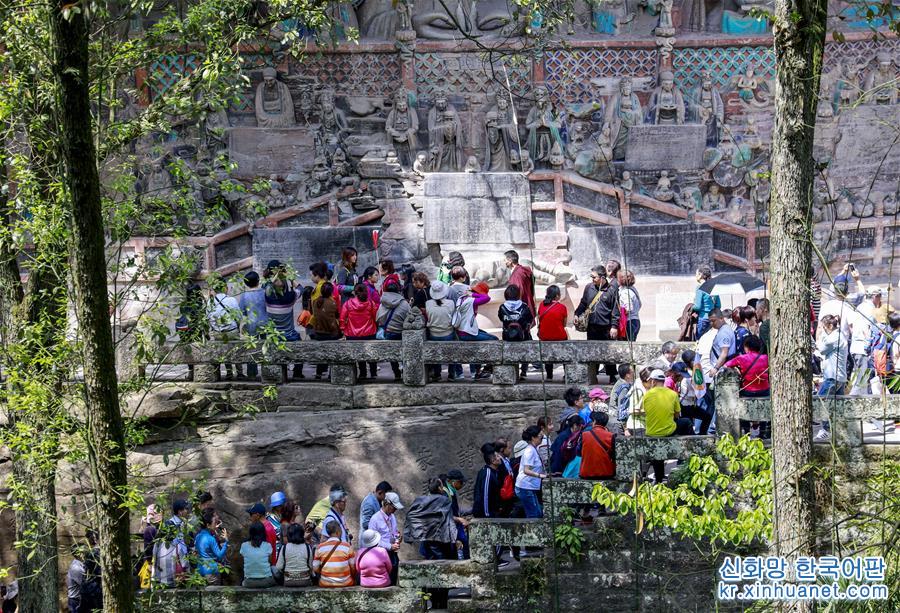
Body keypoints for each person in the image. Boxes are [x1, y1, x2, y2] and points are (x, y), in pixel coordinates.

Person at [645, 369, 695, 482]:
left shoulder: (647, 395)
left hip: (651, 432)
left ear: (653, 381)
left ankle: (659, 478)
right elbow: (677, 415)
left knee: (657, 447)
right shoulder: (673, 394)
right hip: (668, 431)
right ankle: (688, 453)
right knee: (686, 422)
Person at [574, 265, 620, 384]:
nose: (592, 279)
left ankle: (612, 375)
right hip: (592, 326)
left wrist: (614, 326)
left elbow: (615, 310)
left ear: (602, 277)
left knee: (609, 353)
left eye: (594, 277)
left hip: (606, 327)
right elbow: (583, 303)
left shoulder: (611, 290)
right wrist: (576, 313)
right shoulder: (589, 288)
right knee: (592, 351)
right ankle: (593, 375)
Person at [403, 478, 461, 560]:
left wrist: (408, 536)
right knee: (444, 563)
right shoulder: (444, 500)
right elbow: (449, 520)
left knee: (430, 562)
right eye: (441, 485)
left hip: (427, 539)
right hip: (442, 539)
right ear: (439, 488)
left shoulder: (420, 500)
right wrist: (455, 539)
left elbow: (411, 515)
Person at [264, 260, 303, 378]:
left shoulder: (267, 295)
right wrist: (290, 278)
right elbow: (301, 289)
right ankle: (297, 373)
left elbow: (266, 285)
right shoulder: (290, 297)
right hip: (289, 335)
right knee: (300, 346)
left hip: (273, 335)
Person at [814, 314, 848, 441]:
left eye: (824, 327)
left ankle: (826, 429)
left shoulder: (833, 338)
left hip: (832, 377)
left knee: (821, 401)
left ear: (829, 326)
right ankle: (838, 430)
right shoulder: (840, 335)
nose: (823, 329)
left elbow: (821, 349)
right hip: (840, 377)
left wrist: (821, 335)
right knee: (837, 405)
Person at [340, 283, 379, 381]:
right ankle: (373, 373)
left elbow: (342, 319)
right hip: (369, 332)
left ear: (354, 292)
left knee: (358, 354)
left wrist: (343, 330)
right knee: (371, 353)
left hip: (352, 334)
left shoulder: (348, 303)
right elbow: (375, 318)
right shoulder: (370, 303)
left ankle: (362, 373)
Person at [208, 281, 243, 379]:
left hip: (217, 333)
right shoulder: (231, 300)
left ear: (214, 289)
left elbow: (208, 318)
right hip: (232, 331)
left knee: (224, 352)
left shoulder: (210, 302)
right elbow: (239, 316)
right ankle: (239, 373)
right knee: (236, 351)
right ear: (225, 288)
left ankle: (229, 373)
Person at [498, 285, 534, 379]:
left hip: (507, 337)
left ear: (506, 295)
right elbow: (530, 319)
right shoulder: (524, 306)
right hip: (523, 336)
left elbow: (501, 318)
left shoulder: (502, 307)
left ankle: (511, 372)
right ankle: (524, 372)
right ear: (518, 294)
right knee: (527, 349)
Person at [238, 270, 269, 380]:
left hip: (251, 324)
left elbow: (242, 312)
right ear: (258, 281)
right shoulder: (264, 292)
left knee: (252, 348)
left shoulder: (244, 296)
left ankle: (251, 373)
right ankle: (268, 370)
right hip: (265, 322)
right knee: (266, 347)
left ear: (246, 283)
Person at [369, 491, 404, 585]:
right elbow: (372, 542)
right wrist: (389, 546)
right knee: (384, 584)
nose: (395, 510)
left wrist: (398, 538)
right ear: (387, 504)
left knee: (393, 581)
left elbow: (394, 532)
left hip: (393, 555)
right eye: (394, 507)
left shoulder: (392, 517)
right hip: (380, 556)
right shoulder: (375, 519)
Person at [377, 282, 411, 380]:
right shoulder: (404, 303)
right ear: (398, 291)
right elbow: (409, 317)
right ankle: (405, 371)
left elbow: (379, 318)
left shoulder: (383, 302)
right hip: (401, 332)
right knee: (404, 352)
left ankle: (396, 373)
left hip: (388, 331)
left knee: (392, 354)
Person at [425, 280, 457, 382]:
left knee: (435, 354)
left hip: (433, 334)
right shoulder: (451, 303)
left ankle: (437, 374)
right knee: (451, 353)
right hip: (448, 333)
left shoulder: (428, 303)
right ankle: (451, 375)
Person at [310, 281, 342, 378]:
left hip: (318, 332)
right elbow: (337, 315)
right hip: (331, 333)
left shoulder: (315, 301)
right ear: (331, 292)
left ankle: (319, 372)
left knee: (322, 353)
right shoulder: (332, 303)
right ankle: (331, 374)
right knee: (333, 352)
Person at [515, 426, 548, 518]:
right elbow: (526, 470)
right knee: (533, 514)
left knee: (538, 512)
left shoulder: (534, 449)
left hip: (529, 486)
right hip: (525, 486)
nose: (541, 438)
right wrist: (540, 475)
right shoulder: (529, 451)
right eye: (540, 436)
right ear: (533, 437)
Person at [538, 285, 568, 379]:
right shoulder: (562, 307)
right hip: (559, 336)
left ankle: (549, 374)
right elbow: (564, 324)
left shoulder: (541, 305)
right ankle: (566, 373)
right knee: (565, 353)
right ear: (557, 296)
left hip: (544, 337)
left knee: (547, 353)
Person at [313, 520, 356, 587]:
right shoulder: (347, 546)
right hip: (345, 582)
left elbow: (315, 568)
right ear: (338, 532)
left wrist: (325, 573)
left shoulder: (320, 547)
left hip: (325, 583)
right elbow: (353, 567)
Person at [274, 523, 315, 587]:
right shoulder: (307, 547)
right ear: (302, 534)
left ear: (289, 535)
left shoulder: (284, 547)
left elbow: (279, 567)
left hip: (288, 581)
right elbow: (311, 566)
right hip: (305, 581)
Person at [194, 507, 228, 584]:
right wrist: (226, 541)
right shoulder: (210, 538)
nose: (216, 524)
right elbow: (219, 555)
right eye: (214, 522)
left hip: (200, 570)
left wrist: (214, 530)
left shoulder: (198, 536)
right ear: (208, 524)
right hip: (212, 572)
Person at [580, 411, 616, 479]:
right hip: (606, 473)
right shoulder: (611, 436)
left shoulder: (584, 435)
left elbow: (578, 452)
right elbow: (614, 455)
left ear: (594, 421)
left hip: (586, 473)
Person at [444, 469, 470, 559]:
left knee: (464, 543)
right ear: (453, 482)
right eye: (460, 482)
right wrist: (460, 519)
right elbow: (444, 515)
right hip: (448, 528)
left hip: (455, 525)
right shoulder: (444, 494)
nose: (462, 485)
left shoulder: (451, 491)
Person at [240, 521, 275, 587]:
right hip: (266, 582)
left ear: (250, 532)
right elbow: (270, 562)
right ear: (263, 533)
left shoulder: (244, 545)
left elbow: (244, 561)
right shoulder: (267, 545)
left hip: (248, 583)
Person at [505, 250, 535, 327]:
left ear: (510, 260)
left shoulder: (517, 274)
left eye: (505, 260)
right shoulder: (522, 270)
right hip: (527, 304)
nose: (504, 262)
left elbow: (518, 292)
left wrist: (515, 311)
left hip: (521, 310)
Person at [707, 309, 737, 378]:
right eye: (710, 321)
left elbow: (724, 353)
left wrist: (716, 368)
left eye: (713, 321)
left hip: (722, 371)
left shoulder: (724, 332)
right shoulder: (724, 329)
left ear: (721, 318)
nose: (711, 323)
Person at [692, 265, 715, 339]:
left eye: (696, 274)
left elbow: (697, 306)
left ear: (700, 275)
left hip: (703, 319)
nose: (695, 276)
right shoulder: (713, 287)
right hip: (713, 318)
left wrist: (691, 307)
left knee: (700, 341)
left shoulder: (700, 287)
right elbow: (718, 305)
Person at [264, 491, 286, 565]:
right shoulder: (270, 518)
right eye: (280, 505)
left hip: (283, 547)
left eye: (282, 505)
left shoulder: (283, 516)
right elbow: (278, 532)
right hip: (275, 548)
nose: (282, 507)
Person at [618, 269, 641, 341]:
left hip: (629, 323)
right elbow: (640, 304)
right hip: (636, 321)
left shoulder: (625, 292)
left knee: (627, 346)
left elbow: (629, 308)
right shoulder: (633, 289)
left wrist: (619, 311)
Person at [67, 545, 87, 612]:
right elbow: (86, 583)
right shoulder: (76, 568)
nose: (88, 552)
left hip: (79, 599)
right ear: (79, 554)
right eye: (85, 551)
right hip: (76, 601)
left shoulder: (82, 564)